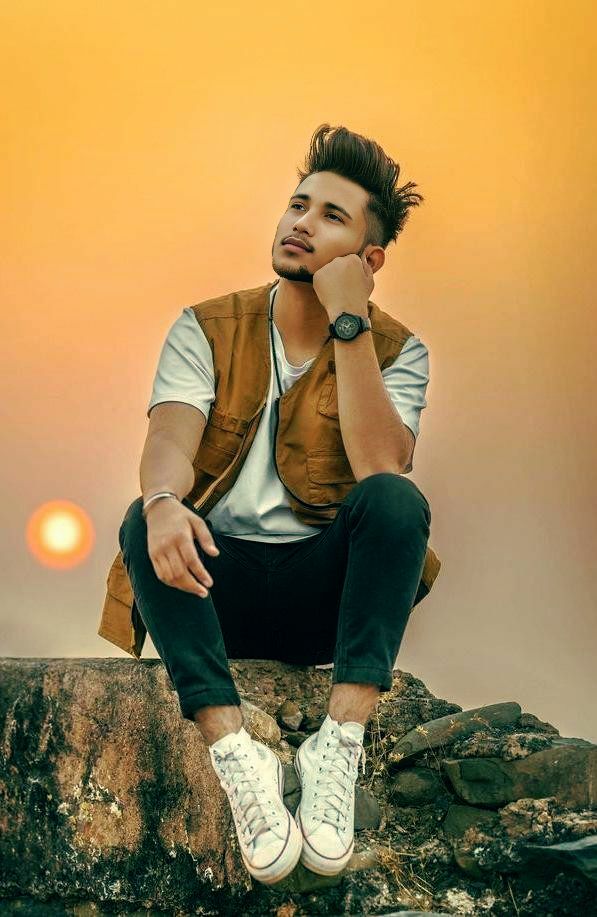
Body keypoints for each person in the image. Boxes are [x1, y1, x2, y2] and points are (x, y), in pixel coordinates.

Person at [116, 123, 440, 885]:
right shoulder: (207, 325)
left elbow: (381, 466)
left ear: (369, 260)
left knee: (396, 503)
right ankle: (237, 756)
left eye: (331, 215)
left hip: (320, 600)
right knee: (143, 514)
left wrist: (348, 320)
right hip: (213, 587)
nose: (301, 222)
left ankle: (338, 743)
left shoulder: (399, 351)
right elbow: (170, 437)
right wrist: (162, 499)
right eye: (298, 204)